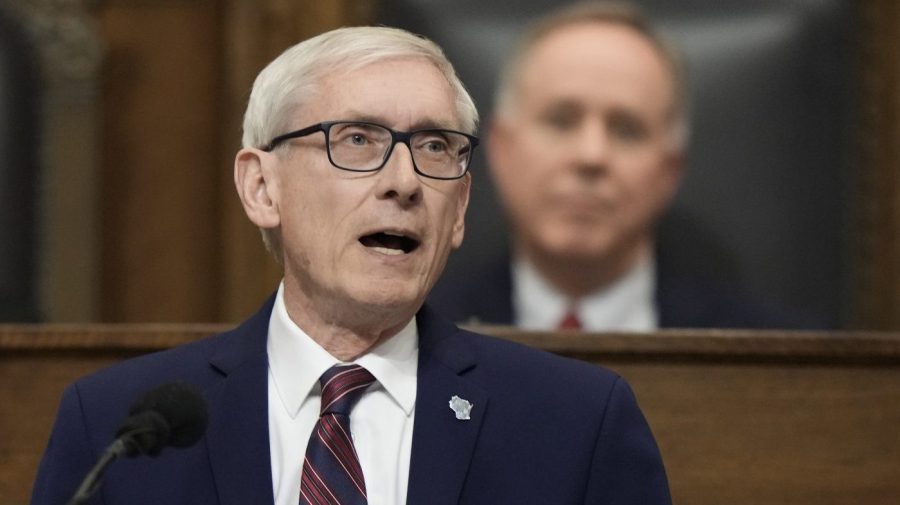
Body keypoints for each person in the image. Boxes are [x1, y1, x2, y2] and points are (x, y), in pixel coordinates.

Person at [31, 26, 671, 504]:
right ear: (262, 187)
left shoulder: (577, 423)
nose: (405, 181)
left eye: (434, 146)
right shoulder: (120, 428)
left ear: (461, 207)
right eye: (358, 140)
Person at [428, 1, 799, 331]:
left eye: (627, 130)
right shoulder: (417, 334)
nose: (591, 156)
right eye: (560, 120)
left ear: (670, 170)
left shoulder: (772, 354)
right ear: (501, 148)